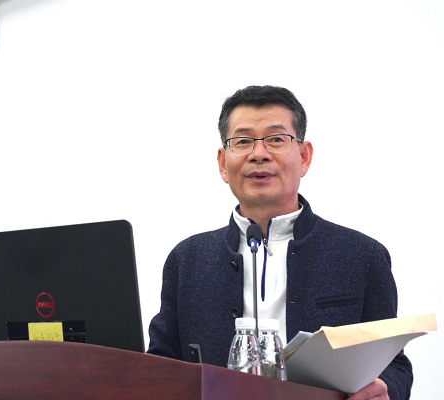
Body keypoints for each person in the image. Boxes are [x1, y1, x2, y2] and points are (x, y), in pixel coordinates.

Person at [148, 85, 412, 400]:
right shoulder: (187, 259)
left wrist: (385, 391)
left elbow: (393, 365)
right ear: (222, 163)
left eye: (276, 139)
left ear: (304, 156)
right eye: (243, 141)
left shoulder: (362, 255)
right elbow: (160, 361)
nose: (259, 154)